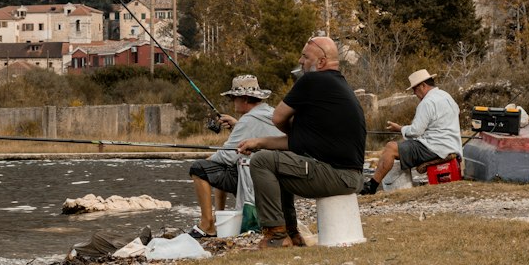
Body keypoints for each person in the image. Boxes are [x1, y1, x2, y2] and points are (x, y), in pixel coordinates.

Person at [238, 35, 366, 247]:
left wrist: (288, 132)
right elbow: (299, 143)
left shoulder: (312, 80)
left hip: (336, 175)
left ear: (321, 61)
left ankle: (276, 236)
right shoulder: (337, 86)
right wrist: (259, 141)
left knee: (262, 162)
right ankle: (292, 234)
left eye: (305, 57)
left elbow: (277, 117)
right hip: (352, 177)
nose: (300, 61)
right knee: (279, 161)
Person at [188, 75, 275, 238]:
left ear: (245, 98)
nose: (232, 101)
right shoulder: (269, 113)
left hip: (257, 178)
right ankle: (218, 217)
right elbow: (255, 134)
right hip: (272, 175)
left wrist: (206, 161)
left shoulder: (248, 121)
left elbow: (226, 156)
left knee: (199, 168)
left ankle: (208, 225)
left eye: (233, 97)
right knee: (217, 169)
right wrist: (237, 125)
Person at [360, 68, 462, 194]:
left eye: (415, 89)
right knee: (403, 146)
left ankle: (372, 186)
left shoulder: (427, 102)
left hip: (436, 148)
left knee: (391, 147)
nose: (414, 93)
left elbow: (415, 131)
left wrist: (399, 128)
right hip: (452, 145)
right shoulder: (447, 96)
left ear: (423, 86)